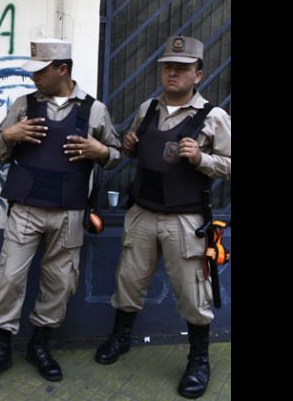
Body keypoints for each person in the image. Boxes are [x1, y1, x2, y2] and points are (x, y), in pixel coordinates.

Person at [0, 39, 121, 386]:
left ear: (62, 70)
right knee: (8, 277)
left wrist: (101, 151)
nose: (33, 78)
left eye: (40, 71)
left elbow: (115, 157)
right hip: (25, 208)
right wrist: (9, 135)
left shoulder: (94, 110)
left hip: (69, 211)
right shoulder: (23, 105)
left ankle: (40, 345)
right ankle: (2, 347)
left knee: (59, 282)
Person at [94, 36, 231, 399]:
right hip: (142, 212)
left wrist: (202, 159)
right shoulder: (148, 108)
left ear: (198, 74)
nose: (173, 72)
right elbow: (137, 147)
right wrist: (129, 145)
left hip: (185, 220)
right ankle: (121, 338)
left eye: (182, 68)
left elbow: (230, 165)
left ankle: (199, 359)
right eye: (168, 66)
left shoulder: (213, 117)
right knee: (129, 281)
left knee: (191, 293)